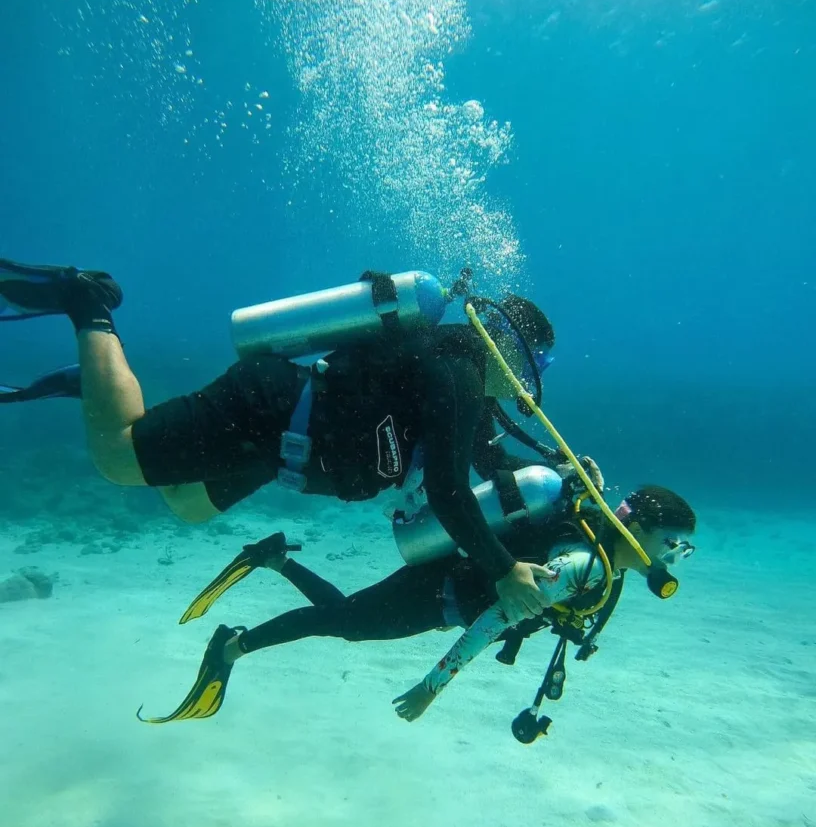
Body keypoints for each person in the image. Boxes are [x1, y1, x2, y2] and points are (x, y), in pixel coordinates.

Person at [0, 256, 600, 625]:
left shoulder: (464, 383)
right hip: (266, 411)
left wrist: (566, 477)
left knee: (186, 505)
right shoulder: (459, 375)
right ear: (507, 347)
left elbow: (488, 462)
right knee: (116, 457)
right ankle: (88, 304)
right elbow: (447, 489)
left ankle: (98, 380)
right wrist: (503, 570)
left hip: (280, 450)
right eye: (534, 366)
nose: (529, 385)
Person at [137, 482, 697, 732]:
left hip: (444, 588)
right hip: (439, 595)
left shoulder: (603, 562)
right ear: (643, 530)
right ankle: (230, 647)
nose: (672, 557)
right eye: (672, 544)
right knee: (344, 623)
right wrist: (434, 685)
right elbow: (496, 618)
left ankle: (275, 559)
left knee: (348, 620)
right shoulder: (584, 567)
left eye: (680, 550)